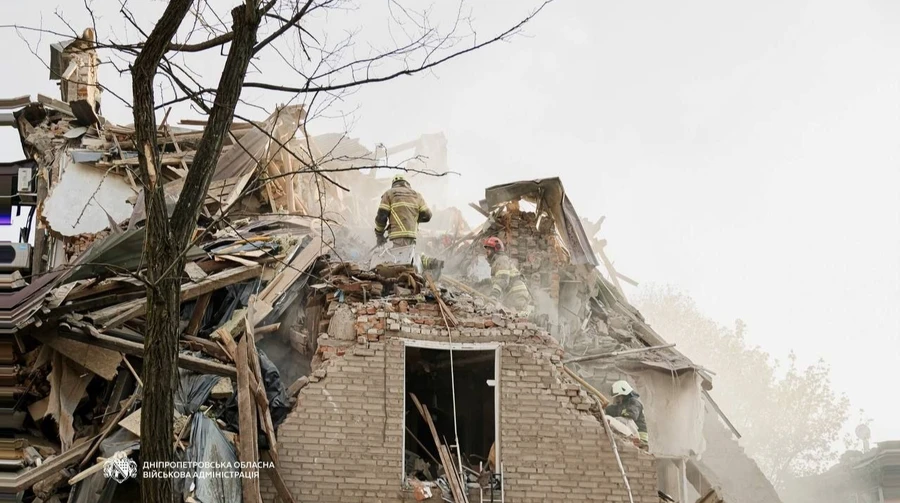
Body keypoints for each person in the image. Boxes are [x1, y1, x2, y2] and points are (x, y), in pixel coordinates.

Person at [374, 174, 432, 248]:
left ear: (394, 184)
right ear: (406, 183)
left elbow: (382, 216)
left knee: (399, 257)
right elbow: (428, 215)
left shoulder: (389, 193)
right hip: (412, 235)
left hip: (398, 235)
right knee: (408, 256)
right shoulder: (417, 195)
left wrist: (379, 235)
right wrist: (412, 219)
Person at [482, 237, 532, 311]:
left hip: (517, 295)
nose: (487, 252)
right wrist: (483, 283)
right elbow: (498, 280)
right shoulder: (499, 262)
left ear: (495, 249)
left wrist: (493, 296)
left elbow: (502, 280)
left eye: (488, 249)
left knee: (518, 318)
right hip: (514, 295)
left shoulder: (501, 260)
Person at [605, 380, 649, 449]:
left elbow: (632, 415)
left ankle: (634, 438)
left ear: (624, 394)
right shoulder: (622, 404)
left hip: (640, 438)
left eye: (618, 396)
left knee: (623, 420)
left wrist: (617, 415)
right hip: (633, 433)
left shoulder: (635, 403)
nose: (616, 399)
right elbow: (613, 410)